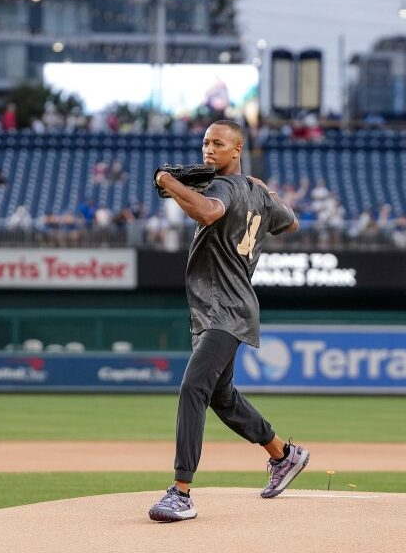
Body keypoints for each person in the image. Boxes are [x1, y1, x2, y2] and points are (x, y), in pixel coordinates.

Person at [148, 120, 309, 523]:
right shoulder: (252, 191)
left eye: (218, 144)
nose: (208, 150)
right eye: (205, 142)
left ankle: (181, 492)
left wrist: (168, 180)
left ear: (236, 150)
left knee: (192, 388)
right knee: (221, 396)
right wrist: (262, 189)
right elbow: (290, 221)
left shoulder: (220, 189)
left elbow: (206, 211)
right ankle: (284, 456)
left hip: (224, 308)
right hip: (225, 307)